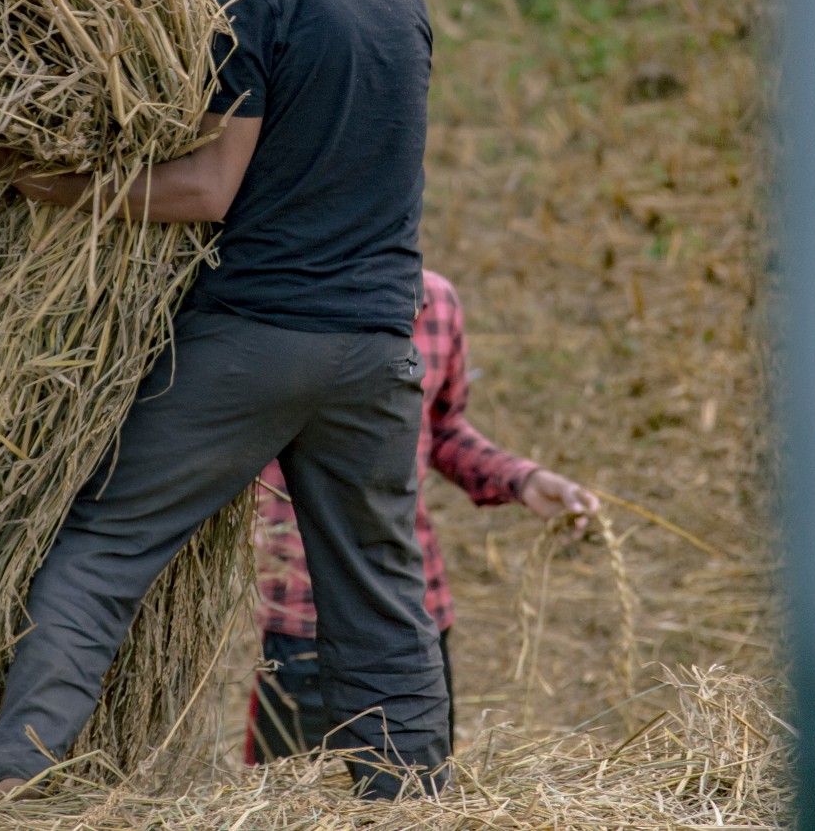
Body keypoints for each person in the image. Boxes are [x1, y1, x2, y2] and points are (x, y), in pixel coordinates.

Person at [0, 0, 445, 800]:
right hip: (377, 354)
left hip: (254, 339)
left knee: (105, 547)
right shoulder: (406, 9)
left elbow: (204, 190)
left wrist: (63, 188)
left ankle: (9, 788)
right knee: (380, 591)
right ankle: (410, 803)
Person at [246, 269, 600, 761]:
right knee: (291, 800)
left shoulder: (437, 300)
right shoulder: (272, 296)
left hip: (413, 609)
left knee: (419, 797)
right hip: (303, 614)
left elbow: (442, 427)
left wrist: (522, 479)